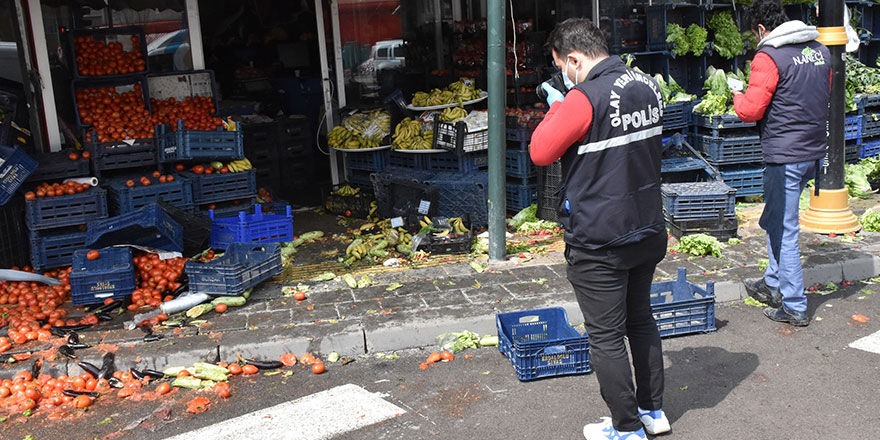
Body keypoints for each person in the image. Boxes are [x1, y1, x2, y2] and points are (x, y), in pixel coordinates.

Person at [529, 18, 669, 440]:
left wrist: (560, 105)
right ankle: (652, 412)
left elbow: (539, 151)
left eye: (562, 66)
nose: (564, 75)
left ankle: (626, 429)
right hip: (646, 225)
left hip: (600, 237)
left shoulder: (582, 98)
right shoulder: (647, 84)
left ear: (573, 59)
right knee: (641, 320)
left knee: (606, 336)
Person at [733, 0, 831, 327]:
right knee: (775, 219)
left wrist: (736, 96)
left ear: (761, 28)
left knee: (785, 230)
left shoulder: (769, 56)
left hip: (785, 155)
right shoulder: (820, 50)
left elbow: (750, 110)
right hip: (812, 152)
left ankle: (794, 305)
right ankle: (772, 283)